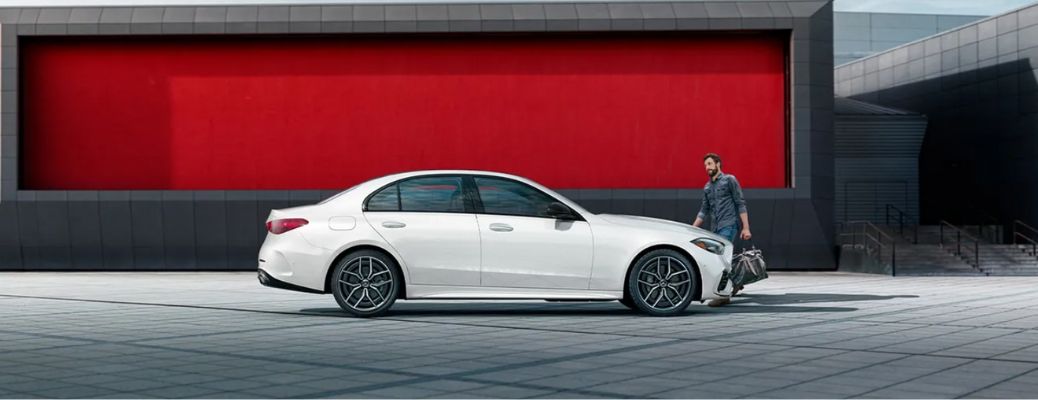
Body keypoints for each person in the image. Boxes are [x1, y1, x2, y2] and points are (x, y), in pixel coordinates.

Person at [692, 153, 751, 307]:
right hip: (715, 229)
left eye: (710, 164)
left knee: (720, 260)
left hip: (729, 225)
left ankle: (724, 295)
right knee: (720, 259)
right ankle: (735, 282)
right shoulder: (707, 187)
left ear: (718, 164)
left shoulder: (729, 180)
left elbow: (740, 203)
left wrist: (746, 228)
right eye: (706, 165)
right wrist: (692, 229)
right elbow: (704, 210)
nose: (707, 167)